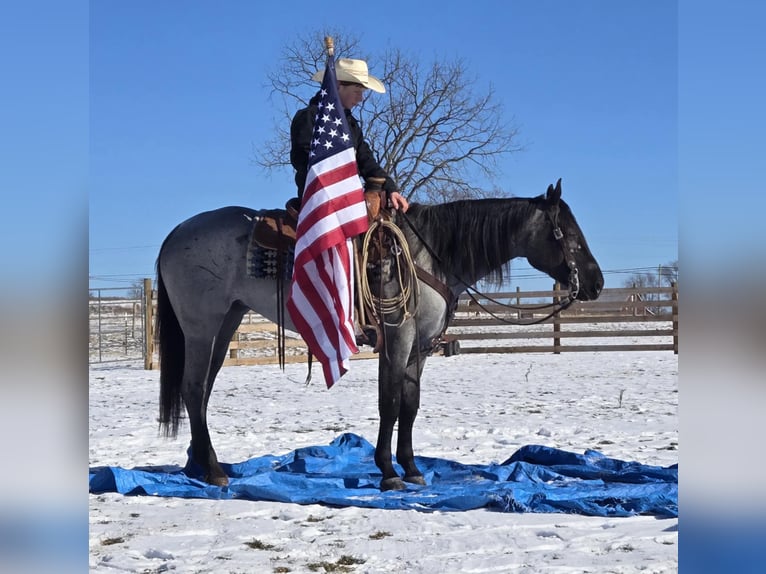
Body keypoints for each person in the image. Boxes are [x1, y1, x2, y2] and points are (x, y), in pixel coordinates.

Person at [289, 57, 409, 213]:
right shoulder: (309, 118)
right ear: (338, 85)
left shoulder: (351, 125)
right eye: (357, 92)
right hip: (318, 203)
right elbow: (303, 159)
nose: (360, 98)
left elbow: (367, 161)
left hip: (350, 202)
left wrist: (391, 188)